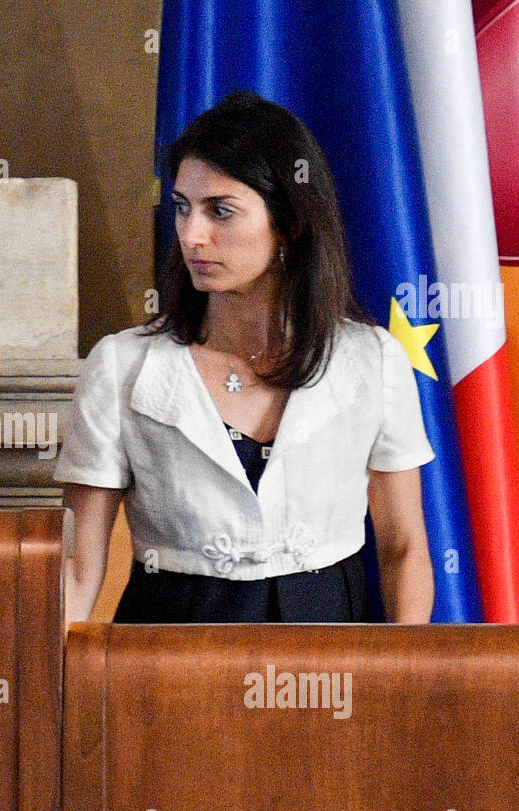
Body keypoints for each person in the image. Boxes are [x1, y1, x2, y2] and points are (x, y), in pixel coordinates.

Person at [56, 91, 434, 625]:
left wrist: (400, 683)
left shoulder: (372, 360)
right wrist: (43, 691)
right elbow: (76, 566)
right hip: (168, 650)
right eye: (183, 207)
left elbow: (404, 550)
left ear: (288, 223)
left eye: (220, 211)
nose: (191, 235)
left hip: (329, 645)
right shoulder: (122, 365)